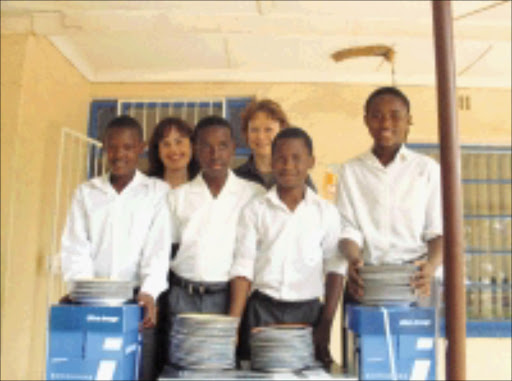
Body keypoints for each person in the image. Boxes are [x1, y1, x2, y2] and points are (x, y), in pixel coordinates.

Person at [60, 115, 172, 380]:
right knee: (95, 370)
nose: (119, 154)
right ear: (104, 147)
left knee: (136, 371)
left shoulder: (156, 192)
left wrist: (149, 293)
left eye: (128, 147)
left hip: (137, 302)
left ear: (141, 147)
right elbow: (76, 246)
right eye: (112, 147)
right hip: (92, 300)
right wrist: (82, 291)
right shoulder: (86, 193)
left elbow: (157, 248)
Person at [229, 127, 346, 368]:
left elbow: (335, 268)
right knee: (258, 372)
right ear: (272, 162)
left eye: (296, 158)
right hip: (262, 310)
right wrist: (234, 324)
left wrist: (325, 323)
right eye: (280, 158)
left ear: (311, 162)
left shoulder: (326, 213)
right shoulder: (255, 209)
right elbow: (243, 266)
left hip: (308, 313)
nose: (288, 165)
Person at [336, 86, 443, 302]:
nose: (385, 124)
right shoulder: (351, 171)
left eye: (395, 116)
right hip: (367, 279)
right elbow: (347, 229)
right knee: (366, 336)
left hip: (416, 279)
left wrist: (431, 267)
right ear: (366, 121)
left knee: (417, 336)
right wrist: (353, 259)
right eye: (377, 116)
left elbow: (438, 230)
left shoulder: (426, 169)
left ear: (408, 120)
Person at [166, 114, 265, 326]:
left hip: (229, 297)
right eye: (206, 146)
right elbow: (169, 248)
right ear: (194, 148)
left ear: (233, 147)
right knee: (183, 358)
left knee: (222, 358)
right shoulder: (178, 197)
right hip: (183, 296)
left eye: (222, 146)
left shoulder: (253, 194)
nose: (215, 154)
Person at [234, 98, 316, 190]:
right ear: (246, 134)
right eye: (254, 130)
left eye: (268, 129)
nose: (261, 136)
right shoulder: (235, 179)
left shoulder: (297, 176)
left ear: (282, 131)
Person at [147, 117, 200, 188]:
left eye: (179, 142)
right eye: (166, 144)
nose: (173, 150)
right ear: (157, 151)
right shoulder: (146, 188)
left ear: (192, 146)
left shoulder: (205, 186)